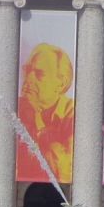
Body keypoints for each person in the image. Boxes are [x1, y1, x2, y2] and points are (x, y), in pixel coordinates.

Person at [18, 43, 76, 183]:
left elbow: (62, 171)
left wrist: (37, 117)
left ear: (61, 83)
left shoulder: (73, 114)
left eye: (39, 74)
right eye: (27, 70)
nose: (28, 79)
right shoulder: (15, 107)